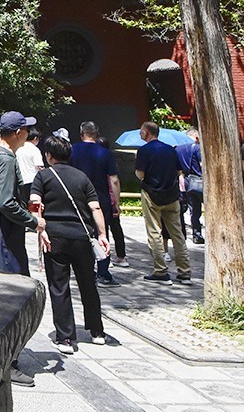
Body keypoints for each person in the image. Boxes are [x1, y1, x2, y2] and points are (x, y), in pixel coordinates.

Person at [31, 133, 108, 352]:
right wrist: (102, 235)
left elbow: (35, 203)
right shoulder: (82, 177)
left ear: (48, 155)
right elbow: (95, 207)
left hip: (55, 237)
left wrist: (40, 227)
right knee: (88, 284)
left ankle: (65, 337)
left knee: (59, 285)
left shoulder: (43, 177)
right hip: (82, 237)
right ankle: (97, 331)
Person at [0, 110, 41, 387]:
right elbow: (6, 201)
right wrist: (32, 221)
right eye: (26, 130)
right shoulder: (5, 159)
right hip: (4, 227)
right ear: (18, 133)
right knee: (10, 291)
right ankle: (8, 362)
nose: (28, 134)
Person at [135, 121, 190, 282]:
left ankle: (161, 271)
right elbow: (179, 171)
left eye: (141, 131)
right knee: (177, 234)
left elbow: (140, 174)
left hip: (152, 194)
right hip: (172, 195)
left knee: (154, 232)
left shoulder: (144, 150)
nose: (140, 134)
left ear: (147, 132)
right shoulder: (170, 150)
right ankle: (184, 271)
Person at [70, 122, 124, 279]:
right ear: (97, 133)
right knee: (102, 232)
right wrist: (116, 202)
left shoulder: (72, 150)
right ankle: (103, 270)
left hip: (78, 197)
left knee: (81, 233)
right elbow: (114, 179)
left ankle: (84, 268)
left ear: (81, 133)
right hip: (100, 199)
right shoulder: (105, 153)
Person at [177, 126, 204, 244]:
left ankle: (196, 234)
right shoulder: (197, 148)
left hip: (187, 182)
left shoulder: (178, 149)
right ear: (196, 137)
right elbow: (203, 164)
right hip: (200, 181)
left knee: (194, 211)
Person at [15, 127, 44, 207]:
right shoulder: (35, 149)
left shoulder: (18, 148)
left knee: (23, 205)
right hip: (33, 181)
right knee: (34, 206)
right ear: (35, 138)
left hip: (20, 181)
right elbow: (39, 167)